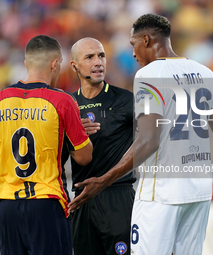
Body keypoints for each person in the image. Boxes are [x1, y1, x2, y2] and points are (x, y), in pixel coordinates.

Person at [68, 14, 213, 255]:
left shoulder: (149, 74)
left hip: (160, 193)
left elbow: (148, 140)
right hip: (198, 192)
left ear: (146, 40)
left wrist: (104, 179)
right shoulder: (205, 72)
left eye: (133, 44)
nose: (133, 53)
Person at [0, 35, 93, 255]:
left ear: (25, 63)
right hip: (47, 203)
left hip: (8, 204)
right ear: (55, 64)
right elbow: (84, 157)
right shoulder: (63, 101)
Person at [63, 37, 135, 255]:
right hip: (82, 200)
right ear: (74, 66)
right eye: (90, 57)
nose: (98, 62)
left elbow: (151, 142)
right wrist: (71, 136)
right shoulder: (67, 104)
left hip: (118, 197)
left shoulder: (126, 100)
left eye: (101, 55)